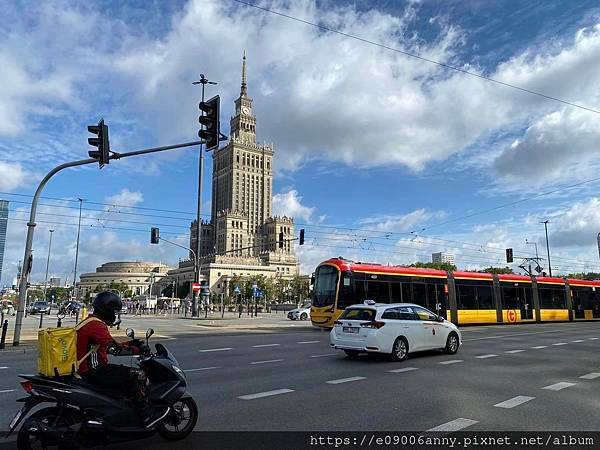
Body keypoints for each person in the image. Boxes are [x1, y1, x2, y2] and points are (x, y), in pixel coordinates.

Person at [76, 291, 168, 428]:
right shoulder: (96, 326)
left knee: (123, 376)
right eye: (114, 312)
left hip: (86, 369)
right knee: (138, 375)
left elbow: (110, 345)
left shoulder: (90, 321)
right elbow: (115, 350)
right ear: (106, 310)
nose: (114, 315)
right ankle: (146, 415)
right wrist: (138, 350)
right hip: (94, 370)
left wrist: (132, 344)